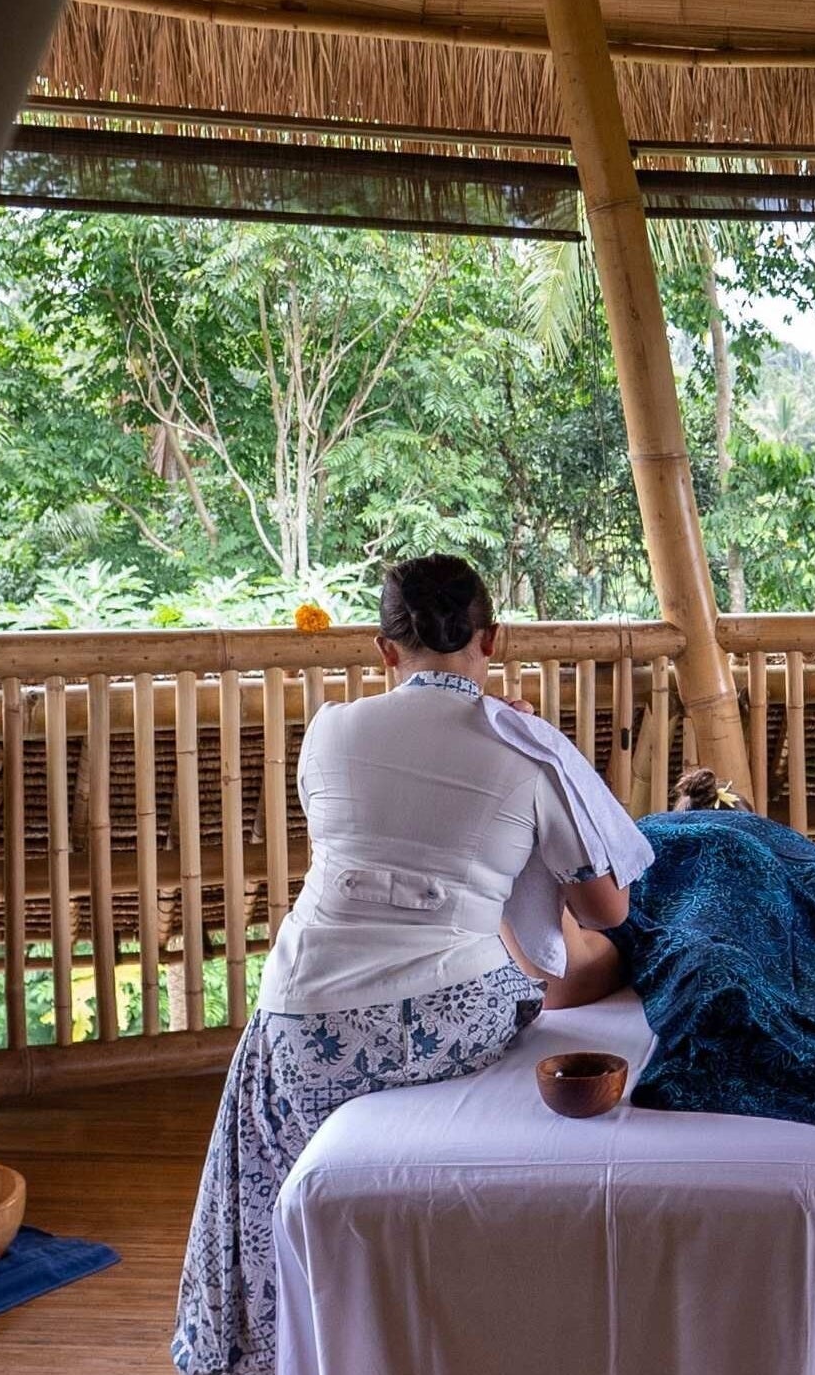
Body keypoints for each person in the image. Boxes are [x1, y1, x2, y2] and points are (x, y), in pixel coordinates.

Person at [171, 555, 636, 1375]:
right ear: (493, 639)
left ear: (384, 649)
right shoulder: (526, 749)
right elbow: (607, 910)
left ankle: (254, 1347)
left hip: (303, 1017)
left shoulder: (329, 731)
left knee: (271, 1056)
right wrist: (540, 760)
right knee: (563, 953)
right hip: (448, 1018)